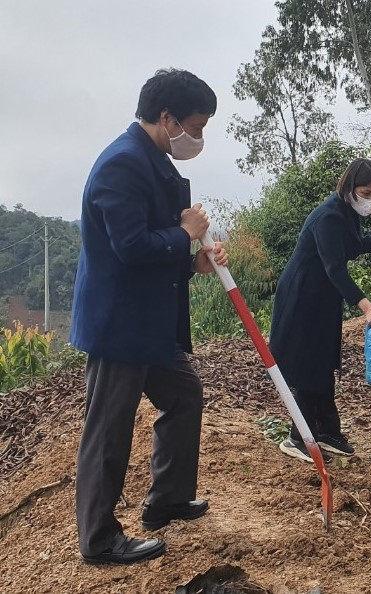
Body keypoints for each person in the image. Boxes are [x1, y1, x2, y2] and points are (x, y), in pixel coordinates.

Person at [70, 69, 227, 564]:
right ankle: (98, 541)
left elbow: (155, 245)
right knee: (108, 431)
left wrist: (191, 261)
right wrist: (184, 235)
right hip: (120, 325)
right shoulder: (121, 165)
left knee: (184, 394)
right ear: (166, 117)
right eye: (196, 126)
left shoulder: (149, 158)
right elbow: (131, 248)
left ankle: (167, 499)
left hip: (150, 323)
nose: (198, 138)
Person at [270, 159, 371, 461]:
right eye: (365, 192)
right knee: (307, 364)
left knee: (323, 360)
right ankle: (299, 437)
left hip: (323, 296)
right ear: (349, 186)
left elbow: (350, 247)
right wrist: (366, 306)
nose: (370, 200)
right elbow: (335, 267)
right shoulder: (329, 216)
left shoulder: (348, 211)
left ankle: (327, 431)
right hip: (302, 296)